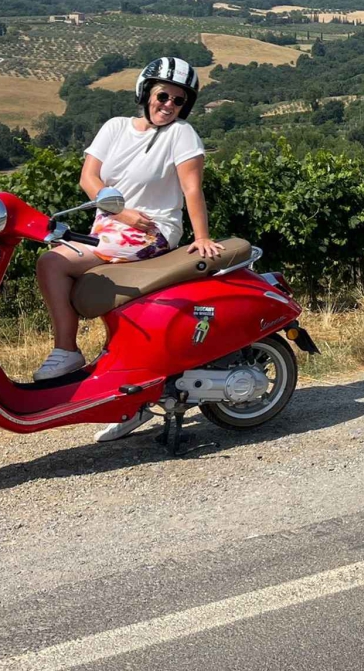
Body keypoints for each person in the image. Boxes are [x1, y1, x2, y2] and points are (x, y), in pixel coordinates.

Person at [33, 57, 224, 439]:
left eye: (178, 101)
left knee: (52, 263)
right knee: (82, 276)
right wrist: (119, 213)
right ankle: (132, 392)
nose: (169, 105)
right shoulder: (115, 128)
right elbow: (89, 178)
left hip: (152, 229)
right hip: (112, 224)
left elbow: (191, 189)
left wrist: (201, 236)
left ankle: (67, 351)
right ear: (145, 93)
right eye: (163, 95)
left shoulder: (182, 135)